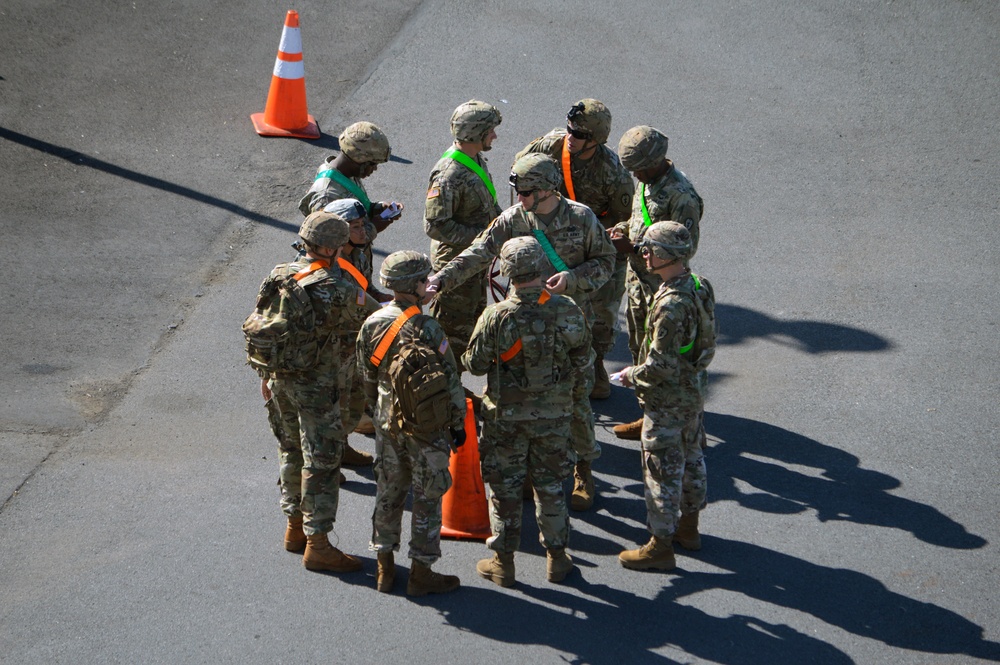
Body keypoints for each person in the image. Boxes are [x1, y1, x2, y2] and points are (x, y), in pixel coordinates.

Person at [427, 153, 614, 512]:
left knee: (575, 400)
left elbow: (605, 261)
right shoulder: (514, 219)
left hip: (567, 322)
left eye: (527, 192)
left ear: (548, 189)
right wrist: (442, 279)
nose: (521, 199)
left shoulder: (580, 217)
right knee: (518, 398)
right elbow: (480, 252)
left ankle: (583, 470)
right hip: (519, 325)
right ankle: (529, 473)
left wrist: (573, 279)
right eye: (518, 191)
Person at [464, 237, 591, 587]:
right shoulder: (566, 309)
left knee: (505, 489)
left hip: (505, 418)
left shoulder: (496, 315)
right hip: (554, 416)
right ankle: (558, 558)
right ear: (541, 267)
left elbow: (474, 365)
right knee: (550, 486)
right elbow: (584, 359)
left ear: (507, 273)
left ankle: (503, 562)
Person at [253, 212, 373, 573]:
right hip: (320, 388)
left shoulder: (279, 274)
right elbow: (376, 320)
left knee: (290, 449)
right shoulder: (337, 289)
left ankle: (294, 530)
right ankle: (318, 545)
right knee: (321, 462)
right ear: (332, 247)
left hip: (279, 380)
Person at [357, 251, 466, 596]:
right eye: (425, 279)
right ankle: (421, 572)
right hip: (426, 427)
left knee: (388, 493)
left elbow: (366, 375)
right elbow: (450, 379)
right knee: (427, 496)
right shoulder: (428, 327)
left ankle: (384, 567)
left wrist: (377, 410)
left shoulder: (373, 323)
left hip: (388, 424)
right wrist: (458, 423)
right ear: (416, 285)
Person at [514, 99, 634, 400]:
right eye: (569, 129)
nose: (570, 137)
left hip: (596, 245)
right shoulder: (551, 147)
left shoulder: (613, 173)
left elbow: (624, 221)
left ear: (595, 140)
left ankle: (594, 367)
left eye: (578, 134)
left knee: (602, 317)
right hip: (551, 240)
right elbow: (521, 173)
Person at [612, 221, 714, 571]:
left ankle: (660, 545)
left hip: (667, 399)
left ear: (666, 255)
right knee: (692, 458)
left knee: (661, 469)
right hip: (693, 392)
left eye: (650, 249)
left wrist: (629, 376)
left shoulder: (670, 303)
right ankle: (690, 528)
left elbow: (659, 365)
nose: (644, 254)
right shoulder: (699, 285)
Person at [610, 126, 704, 441]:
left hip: (662, 286)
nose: (635, 176)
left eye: (638, 168)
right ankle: (648, 413)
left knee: (665, 355)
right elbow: (639, 219)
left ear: (654, 162)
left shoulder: (681, 195)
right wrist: (623, 230)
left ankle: (688, 426)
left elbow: (685, 248)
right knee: (639, 347)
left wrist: (635, 249)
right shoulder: (648, 183)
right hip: (638, 281)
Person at [423, 100, 504, 374]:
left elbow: (488, 206)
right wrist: (481, 237)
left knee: (473, 325)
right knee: (451, 338)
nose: (494, 135)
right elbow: (435, 226)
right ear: (475, 133)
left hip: (475, 262)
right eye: (490, 130)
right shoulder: (448, 175)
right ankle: (450, 392)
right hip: (455, 266)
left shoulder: (475, 159)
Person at [320, 198, 387, 455]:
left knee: (355, 390)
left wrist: (380, 298)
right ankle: (339, 449)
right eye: (356, 226)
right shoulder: (328, 263)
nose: (363, 231)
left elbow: (364, 287)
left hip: (356, 334)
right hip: (336, 341)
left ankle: (345, 437)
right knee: (337, 397)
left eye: (363, 225)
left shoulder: (359, 249)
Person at [299, 121, 403, 272]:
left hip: (357, 264)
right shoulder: (326, 195)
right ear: (359, 160)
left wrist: (376, 208)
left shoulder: (346, 175)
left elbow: (349, 212)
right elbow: (330, 243)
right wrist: (373, 226)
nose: (374, 169)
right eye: (372, 164)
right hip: (343, 272)